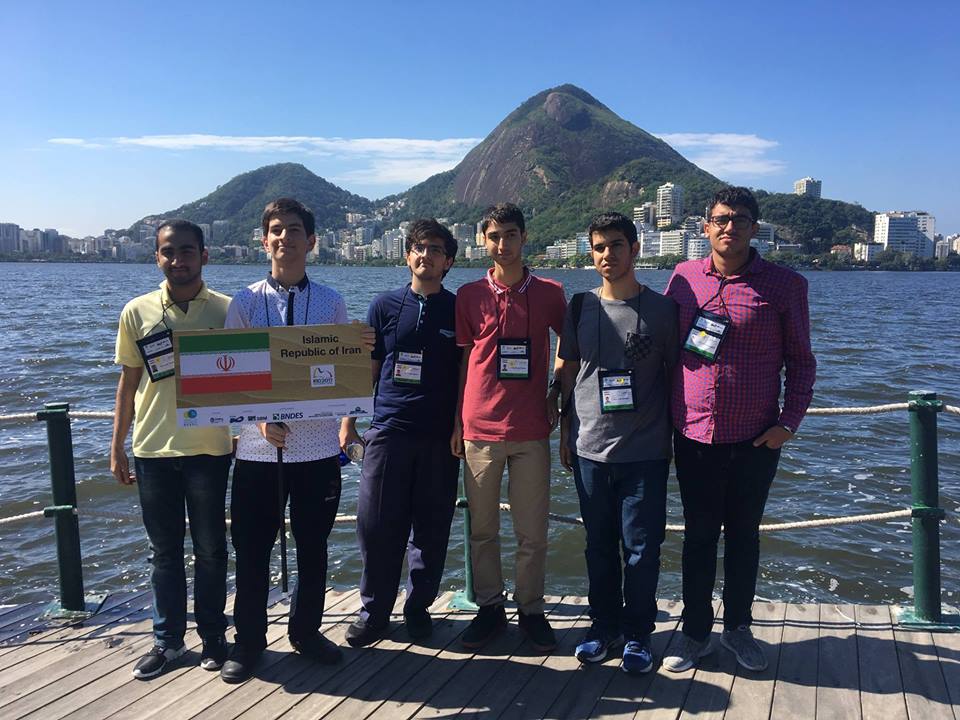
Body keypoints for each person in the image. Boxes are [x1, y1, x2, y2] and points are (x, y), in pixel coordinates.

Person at [662, 186, 816, 673]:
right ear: (706, 226)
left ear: (754, 227)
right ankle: (694, 634)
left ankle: (738, 629)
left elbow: (802, 362)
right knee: (698, 537)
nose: (730, 227)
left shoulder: (785, 285)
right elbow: (665, 349)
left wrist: (788, 423)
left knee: (744, 537)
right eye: (722, 219)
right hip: (693, 434)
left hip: (756, 437)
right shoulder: (683, 278)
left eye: (741, 219)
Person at [219, 198, 372, 683]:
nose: (285, 237)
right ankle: (248, 641)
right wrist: (261, 421)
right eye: (277, 229)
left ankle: (306, 632)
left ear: (312, 241)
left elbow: (345, 373)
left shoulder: (331, 300)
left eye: (295, 229)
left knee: (313, 548)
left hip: (319, 450)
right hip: (257, 453)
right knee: (252, 549)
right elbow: (231, 379)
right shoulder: (244, 302)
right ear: (265, 241)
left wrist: (360, 349)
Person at [111, 220, 233, 679]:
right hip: (152, 451)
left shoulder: (229, 310)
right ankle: (168, 642)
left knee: (211, 550)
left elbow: (252, 378)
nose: (178, 260)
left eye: (187, 250)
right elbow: (128, 384)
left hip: (210, 449)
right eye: (169, 252)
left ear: (204, 255)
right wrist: (117, 446)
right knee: (163, 552)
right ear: (156, 257)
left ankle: (214, 637)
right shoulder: (136, 312)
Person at [558, 212, 678, 673]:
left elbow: (678, 378)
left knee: (643, 549)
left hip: (645, 451)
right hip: (589, 448)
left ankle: (638, 635)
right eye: (599, 247)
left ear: (635, 249)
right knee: (598, 546)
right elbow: (568, 371)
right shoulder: (579, 307)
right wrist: (564, 433)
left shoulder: (662, 310)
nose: (607, 254)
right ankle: (602, 627)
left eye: (616, 245)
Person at [339, 219, 462, 647]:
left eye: (435, 249)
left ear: (448, 261)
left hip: (439, 437)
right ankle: (374, 611)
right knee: (375, 526)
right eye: (418, 247)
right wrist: (349, 423)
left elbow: (465, 374)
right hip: (388, 432)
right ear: (407, 255)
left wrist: (459, 426)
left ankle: (418, 609)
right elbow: (369, 369)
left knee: (432, 529)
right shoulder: (384, 305)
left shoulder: (458, 309)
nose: (425, 255)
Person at [451, 202, 566, 652]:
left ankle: (531, 610)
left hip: (531, 429)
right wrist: (457, 421)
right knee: (481, 530)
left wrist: (555, 390)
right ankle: (489, 609)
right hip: (479, 428)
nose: (503, 244)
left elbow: (568, 345)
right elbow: (465, 359)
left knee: (532, 531)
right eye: (494, 236)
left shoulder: (551, 292)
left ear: (524, 237)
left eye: (511, 235)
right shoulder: (468, 295)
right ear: (484, 241)